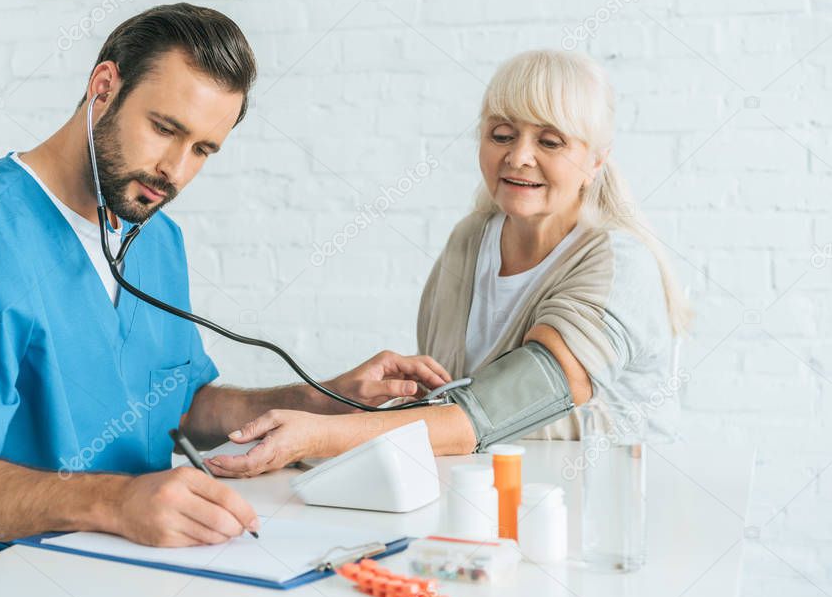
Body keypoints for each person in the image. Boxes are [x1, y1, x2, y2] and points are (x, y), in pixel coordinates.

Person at [0, 3, 452, 597]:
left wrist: (319, 397)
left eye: (203, 150)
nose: (175, 170)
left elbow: (180, 406)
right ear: (104, 88)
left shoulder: (153, 237)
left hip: (120, 562)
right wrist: (116, 502)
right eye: (165, 128)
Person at [205, 49, 691, 479]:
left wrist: (322, 435)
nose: (519, 157)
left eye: (550, 142)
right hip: (494, 497)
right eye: (502, 134)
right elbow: (451, 407)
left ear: (597, 161)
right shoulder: (471, 241)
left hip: (610, 507)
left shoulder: (618, 266)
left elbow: (495, 411)